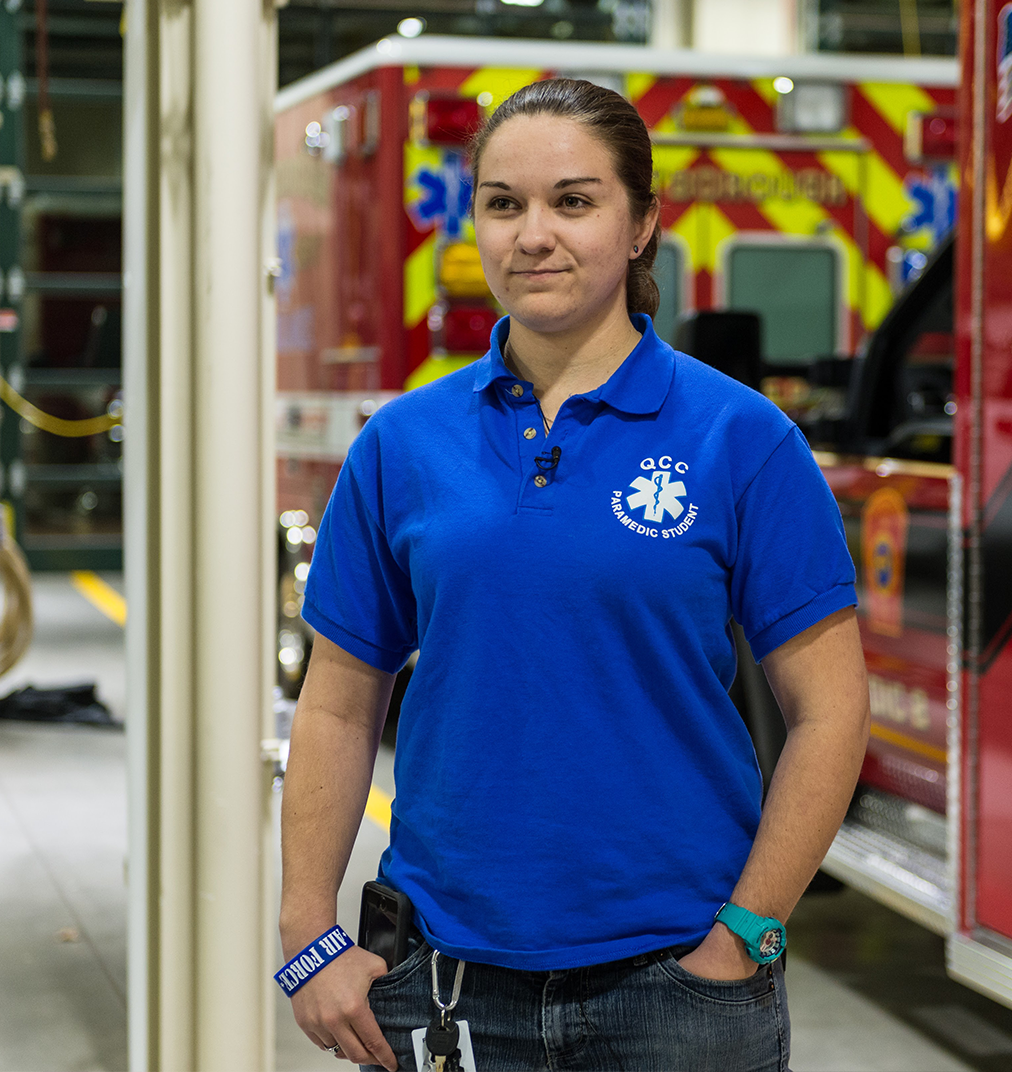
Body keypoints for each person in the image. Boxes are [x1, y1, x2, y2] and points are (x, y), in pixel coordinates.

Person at [279, 77, 870, 1072]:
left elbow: (832, 709)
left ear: (642, 225)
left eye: (574, 201)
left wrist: (747, 936)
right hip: (448, 979)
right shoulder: (404, 445)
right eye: (504, 204)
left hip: (680, 989)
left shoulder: (743, 440)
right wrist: (307, 935)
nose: (533, 234)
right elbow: (338, 704)